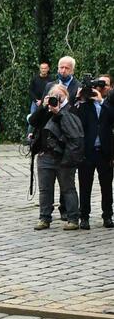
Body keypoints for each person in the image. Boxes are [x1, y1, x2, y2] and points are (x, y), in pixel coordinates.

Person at [30, 83, 83, 230]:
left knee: (68, 189)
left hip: (64, 157)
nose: (56, 99)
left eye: (58, 97)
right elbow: (33, 121)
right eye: (53, 96)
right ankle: (44, 218)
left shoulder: (71, 110)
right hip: (45, 155)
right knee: (45, 189)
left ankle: (73, 219)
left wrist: (59, 112)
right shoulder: (46, 110)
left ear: (65, 96)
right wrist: (43, 107)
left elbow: (72, 131)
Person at [73, 77, 113, 229]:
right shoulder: (83, 105)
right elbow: (73, 116)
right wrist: (78, 98)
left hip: (104, 151)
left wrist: (101, 101)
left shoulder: (108, 104)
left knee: (107, 186)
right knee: (85, 186)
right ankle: (84, 216)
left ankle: (107, 215)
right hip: (87, 151)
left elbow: (111, 117)